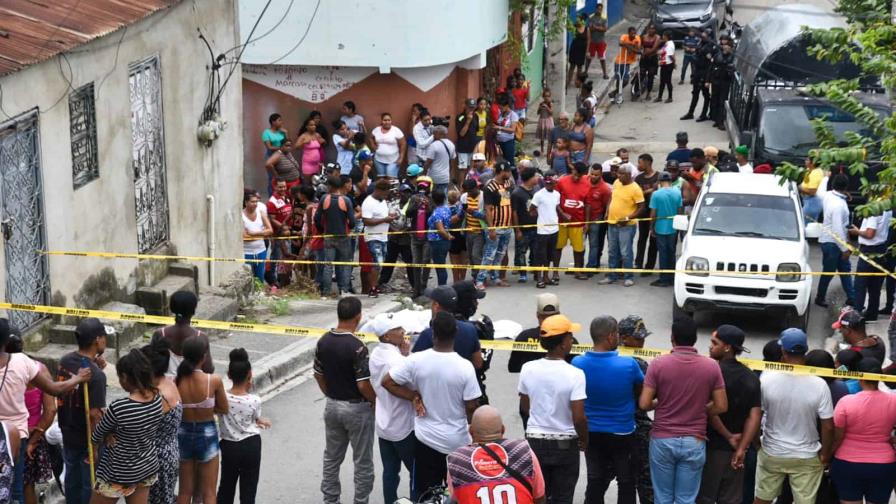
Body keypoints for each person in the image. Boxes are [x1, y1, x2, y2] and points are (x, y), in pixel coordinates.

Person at [383, 311, 482, 496]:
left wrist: (412, 396)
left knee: (426, 495)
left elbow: (387, 382)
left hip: (425, 441)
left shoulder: (416, 360)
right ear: (456, 333)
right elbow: (471, 406)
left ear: (432, 334)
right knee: (459, 494)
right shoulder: (465, 367)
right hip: (457, 442)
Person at [638, 315, 727, 504]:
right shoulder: (711, 366)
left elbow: (644, 404)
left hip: (663, 439)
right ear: (695, 339)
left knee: (662, 498)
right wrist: (699, 410)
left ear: (672, 338)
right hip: (694, 441)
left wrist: (661, 402)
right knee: (686, 499)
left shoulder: (658, 364)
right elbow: (721, 405)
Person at [754, 328, 833, 504]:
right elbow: (828, 425)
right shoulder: (820, 384)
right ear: (805, 351)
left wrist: (757, 444)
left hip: (772, 452)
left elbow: (756, 415)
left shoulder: (766, 379)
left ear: (782, 350)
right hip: (806, 455)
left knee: (762, 499)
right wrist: (825, 454)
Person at [573, 315, 644, 504]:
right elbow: (640, 391)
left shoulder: (577, 364)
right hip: (622, 432)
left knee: (595, 479)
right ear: (611, 336)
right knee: (626, 481)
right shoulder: (629, 364)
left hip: (592, 433)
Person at [518, 314, 587, 504]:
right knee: (563, 498)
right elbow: (579, 417)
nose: (572, 340)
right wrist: (584, 440)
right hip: (565, 444)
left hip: (535, 442)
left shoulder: (528, 369)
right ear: (563, 344)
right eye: (570, 336)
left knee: (538, 496)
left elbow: (525, 406)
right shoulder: (575, 374)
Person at [313, 297, 376, 504]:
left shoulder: (323, 341)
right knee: (362, 461)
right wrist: (374, 400)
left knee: (331, 458)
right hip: (357, 408)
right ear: (358, 317)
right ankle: (360, 500)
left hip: (332, 406)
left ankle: (330, 500)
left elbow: (318, 374)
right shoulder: (358, 347)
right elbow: (363, 385)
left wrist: (330, 393)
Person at [698, 325, 761, 504]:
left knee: (705, 496)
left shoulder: (711, 373)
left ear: (727, 347)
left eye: (714, 342)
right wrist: (741, 448)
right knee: (731, 499)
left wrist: (728, 436)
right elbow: (754, 416)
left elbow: (708, 409)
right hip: (737, 452)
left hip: (711, 447)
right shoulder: (751, 377)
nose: (710, 346)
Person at [90, 350, 163, 504]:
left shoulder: (120, 407)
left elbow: (96, 435)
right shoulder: (158, 399)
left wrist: (96, 448)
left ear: (124, 377)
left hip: (118, 472)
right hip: (146, 466)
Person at [447, 406, 546, 504]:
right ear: (503, 430)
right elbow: (539, 498)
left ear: (471, 432)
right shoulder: (524, 452)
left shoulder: (458, 461)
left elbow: (455, 499)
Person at [831, 357, 896, 504]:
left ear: (858, 376)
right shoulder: (894, 401)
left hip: (847, 464)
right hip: (884, 465)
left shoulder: (846, 402)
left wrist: (829, 455)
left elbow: (838, 436)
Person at [55, 318, 106, 504]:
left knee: (72, 483)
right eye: (104, 337)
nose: (105, 341)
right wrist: (94, 449)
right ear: (97, 340)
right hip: (86, 441)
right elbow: (94, 415)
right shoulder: (96, 376)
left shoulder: (65, 361)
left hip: (68, 434)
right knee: (89, 487)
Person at [368, 318, 416, 503]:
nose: (403, 330)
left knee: (389, 471)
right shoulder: (394, 360)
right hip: (403, 425)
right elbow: (411, 382)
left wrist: (403, 354)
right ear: (387, 336)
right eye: (398, 329)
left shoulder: (376, 354)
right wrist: (407, 357)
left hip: (384, 423)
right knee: (416, 472)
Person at [176, 336, 228, 504]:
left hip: (182, 433)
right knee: (209, 493)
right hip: (207, 433)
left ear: (183, 355)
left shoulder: (177, 381)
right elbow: (224, 408)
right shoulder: (213, 381)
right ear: (204, 357)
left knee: (184, 492)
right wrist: (207, 408)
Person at [217, 349, 270, 504]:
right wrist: (262, 421)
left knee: (226, 486)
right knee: (249, 489)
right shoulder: (254, 400)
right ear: (250, 376)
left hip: (229, 446)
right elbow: (255, 419)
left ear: (229, 374)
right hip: (251, 444)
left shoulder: (222, 397)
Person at [11, 334, 54, 504]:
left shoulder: (5, 371)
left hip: (8, 437)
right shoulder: (39, 369)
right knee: (26, 484)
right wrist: (33, 441)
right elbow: (50, 410)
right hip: (31, 436)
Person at [616, 316, 654, 504]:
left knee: (619, 480)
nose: (642, 341)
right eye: (637, 338)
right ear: (623, 338)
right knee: (644, 478)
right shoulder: (637, 364)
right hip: (636, 425)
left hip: (611, 426)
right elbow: (647, 399)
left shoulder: (611, 357)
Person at [139, 339, 181, 504]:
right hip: (170, 452)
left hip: (157, 459)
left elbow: (141, 427)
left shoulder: (158, 396)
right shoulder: (169, 383)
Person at [412, 286, 484, 370]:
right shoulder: (470, 329)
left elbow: (414, 367)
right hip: (463, 380)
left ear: (436, 305)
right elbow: (478, 363)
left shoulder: (428, 334)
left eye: (431, 303)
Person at [601, 165, 645, 286]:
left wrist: (628, 218)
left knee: (625, 252)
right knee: (612, 251)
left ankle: (628, 276)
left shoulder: (635, 188)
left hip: (627, 226)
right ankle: (612, 275)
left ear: (629, 175)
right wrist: (607, 211)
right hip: (612, 223)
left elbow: (641, 207)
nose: (618, 175)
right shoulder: (616, 182)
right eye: (618, 173)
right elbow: (611, 197)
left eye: (621, 174)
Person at [816, 174, 855, 307]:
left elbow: (820, 191)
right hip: (834, 243)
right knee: (829, 272)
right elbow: (837, 229)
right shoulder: (838, 205)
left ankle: (852, 298)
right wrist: (844, 248)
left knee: (844, 271)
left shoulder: (828, 196)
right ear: (846, 187)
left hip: (829, 241)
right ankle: (820, 297)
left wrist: (825, 177)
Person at [314, 176, 356, 296]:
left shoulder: (324, 199)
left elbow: (317, 218)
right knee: (344, 264)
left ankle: (326, 292)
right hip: (343, 236)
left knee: (328, 265)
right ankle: (343, 289)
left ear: (330, 186)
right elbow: (352, 221)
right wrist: (349, 227)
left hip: (328, 236)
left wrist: (322, 230)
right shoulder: (346, 200)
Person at [476, 162, 515, 290]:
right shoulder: (490, 187)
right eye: (508, 171)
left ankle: (495, 277)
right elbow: (488, 209)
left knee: (500, 254)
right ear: (502, 171)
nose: (510, 174)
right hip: (496, 227)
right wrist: (491, 228)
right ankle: (480, 280)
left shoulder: (508, 184)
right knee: (489, 254)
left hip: (507, 226)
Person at [850, 208, 893, 320]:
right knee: (875, 285)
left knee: (860, 284)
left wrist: (857, 231)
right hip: (882, 249)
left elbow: (870, 234)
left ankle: (856, 317)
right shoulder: (887, 210)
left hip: (869, 250)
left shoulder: (873, 211)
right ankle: (872, 314)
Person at [508, 294, 566, 374]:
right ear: (559, 314)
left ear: (537, 315)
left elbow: (513, 367)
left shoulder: (524, 337)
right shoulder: (567, 340)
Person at [556, 162, 592, 280]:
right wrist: (562, 213)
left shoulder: (587, 185)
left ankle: (577, 271)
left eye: (579, 175)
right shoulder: (562, 182)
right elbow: (554, 200)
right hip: (561, 222)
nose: (576, 177)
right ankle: (555, 272)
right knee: (558, 247)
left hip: (578, 222)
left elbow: (587, 205)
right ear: (572, 170)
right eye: (575, 174)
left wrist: (586, 222)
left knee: (578, 248)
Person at [361, 178, 396, 298]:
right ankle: (373, 288)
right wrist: (384, 220)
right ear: (379, 190)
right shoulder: (368, 202)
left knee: (380, 263)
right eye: (385, 193)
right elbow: (366, 221)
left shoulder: (383, 202)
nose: (386, 195)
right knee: (377, 262)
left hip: (383, 236)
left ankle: (374, 285)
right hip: (373, 237)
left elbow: (383, 216)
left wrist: (389, 217)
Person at [650, 172, 683, 287]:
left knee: (663, 254)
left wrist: (651, 227)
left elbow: (653, 213)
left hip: (660, 227)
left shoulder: (656, 194)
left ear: (659, 182)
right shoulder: (677, 192)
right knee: (672, 252)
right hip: (673, 227)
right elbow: (680, 211)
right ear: (670, 181)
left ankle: (664, 279)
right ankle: (672, 277)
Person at [530, 172, 562, 288]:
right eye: (547, 183)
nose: (549, 185)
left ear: (554, 183)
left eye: (551, 183)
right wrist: (539, 216)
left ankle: (546, 276)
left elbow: (556, 207)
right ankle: (539, 278)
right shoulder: (539, 195)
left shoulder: (557, 194)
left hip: (554, 229)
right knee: (540, 255)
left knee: (550, 255)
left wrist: (562, 215)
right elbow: (532, 208)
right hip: (542, 230)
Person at [406, 177, 434, 297]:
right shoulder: (413, 198)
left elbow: (433, 214)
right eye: (421, 187)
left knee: (426, 261)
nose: (422, 190)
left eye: (424, 187)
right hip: (415, 235)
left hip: (427, 235)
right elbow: (408, 213)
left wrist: (427, 207)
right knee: (416, 263)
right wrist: (415, 206)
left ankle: (423, 286)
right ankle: (416, 288)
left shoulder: (431, 199)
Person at [512, 169, 540, 284]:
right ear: (530, 178)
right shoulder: (517, 193)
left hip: (537, 227)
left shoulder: (537, 190)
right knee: (521, 251)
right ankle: (523, 273)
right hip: (523, 228)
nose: (537, 178)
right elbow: (514, 212)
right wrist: (517, 230)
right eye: (535, 176)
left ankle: (534, 269)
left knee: (536, 250)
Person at [634, 154, 659, 273]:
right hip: (643, 212)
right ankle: (638, 263)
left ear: (648, 162)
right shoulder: (638, 179)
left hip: (655, 212)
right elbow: (637, 195)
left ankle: (649, 266)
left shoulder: (658, 177)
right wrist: (651, 190)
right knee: (642, 239)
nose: (638, 165)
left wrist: (650, 191)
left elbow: (660, 191)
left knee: (653, 239)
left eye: (640, 163)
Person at [681, 29, 713, 121]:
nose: (703, 35)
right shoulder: (700, 43)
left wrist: (707, 79)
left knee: (705, 94)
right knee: (695, 93)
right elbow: (696, 54)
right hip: (697, 71)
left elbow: (709, 63)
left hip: (705, 72)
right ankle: (690, 113)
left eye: (706, 34)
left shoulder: (710, 46)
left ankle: (704, 114)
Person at [585, 164, 612, 273]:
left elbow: (607, 204)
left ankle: (591, 266)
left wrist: (605, 215)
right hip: (582, 218)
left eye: (596, 175)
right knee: (580, 243)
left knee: (594, 244)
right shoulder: (584, 181)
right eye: (592, 174)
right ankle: (578, 266)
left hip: (596, 219)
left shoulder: (605, 188)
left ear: (601, 174)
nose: (593, 176)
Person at [241, 191, 273, 282]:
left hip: (261, 250)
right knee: (247, 278)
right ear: (246, 202)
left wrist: (253, 234)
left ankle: (259, 294)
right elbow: (245, 237)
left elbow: (270, 230)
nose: (255, 204)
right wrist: (262, 234)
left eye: (256, 202)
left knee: (260, 277)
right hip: (246, 252)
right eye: (252, 202)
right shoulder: (241, 216)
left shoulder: (261, 213)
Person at [457, 98, 488, 187]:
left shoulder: (476, 116)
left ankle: (469, 186)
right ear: (465, 106)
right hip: (463, 148)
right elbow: (461, 134)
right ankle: (461, 187)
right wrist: (468, 121)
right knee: (462, 169)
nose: (471, 109)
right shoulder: (460, 117)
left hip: (473, 147)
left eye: (473, 107)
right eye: (470, 107)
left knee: (471, 168)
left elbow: (477, 132)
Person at [427, 190, 455, 286]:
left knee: (440, 267)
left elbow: (441, 230)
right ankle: (442, 286)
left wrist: (448, 236)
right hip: (444, 242)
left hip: (438, 242)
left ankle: (442, 288)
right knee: (441, 266)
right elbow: (448, 222)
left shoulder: (436, 213)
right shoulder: (446, 209)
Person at [709, 33, 735, 130]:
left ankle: (720, 121)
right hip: (716, 80)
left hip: (725, 81)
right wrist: (708, 80)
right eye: (724, 46)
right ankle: (716, 119)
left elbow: (733, 68)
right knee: (714, 100)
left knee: (722, 101)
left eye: (727, 46)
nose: (725, 47)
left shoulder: (732, 57)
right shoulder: (717, 55)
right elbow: (711, 67)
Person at [370, 113, 406, 178]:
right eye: (385, 120)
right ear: (381, 121)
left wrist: (401, 158)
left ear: (391, 121)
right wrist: (373, 146)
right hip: (378, 160)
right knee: (382, 180)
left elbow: (403, 143)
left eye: (389, 120)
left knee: (391, 180)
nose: (387, 122)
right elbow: (371, 138)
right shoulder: (376, 130)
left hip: (393, 160)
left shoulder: (396, 130)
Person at [422, 125, 456, 195]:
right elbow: (452, 162)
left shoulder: (434, 145)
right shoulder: (451, 144)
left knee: (433, 199)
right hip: (445, 177)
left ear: (441, 134)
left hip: (434, 178)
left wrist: (423, 174)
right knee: (443, 199)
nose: (433, 136)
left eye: (434, 134)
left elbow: (428, 162)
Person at [611, 27, 641, 97]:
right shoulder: (624, 36)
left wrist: (631, 47)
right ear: (628, 33)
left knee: (626, 80)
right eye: (632, 33)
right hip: (619, 61)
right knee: (619, 78)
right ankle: (617, 93)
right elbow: (620, 43)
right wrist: (629, 47)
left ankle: (615, 92)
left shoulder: (637, 39)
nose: (634, 35)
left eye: (635, 33)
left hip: (628, 62)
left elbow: (638, 51)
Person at [295, 117, 326, 186]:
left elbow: (324, 142)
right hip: (307, 164)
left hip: (317, 164)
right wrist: (304, 143)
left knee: (316, 183)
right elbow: (296, 146)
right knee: (307, 184)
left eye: (314, 125)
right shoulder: (304, 136)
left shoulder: (317, 135)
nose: (313, 126)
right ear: (307, 127)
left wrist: (323, 141)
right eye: (311, 125)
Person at [494, 98, 519, 172]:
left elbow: (512, 130)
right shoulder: (500, 114)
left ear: (507, 106)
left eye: (501, 107)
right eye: (499, 107)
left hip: (508, 142)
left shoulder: (513, 115)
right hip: (499, 142)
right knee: (501, 163)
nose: (500, 109)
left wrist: (499, 128)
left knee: (510, 163)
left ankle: (514, 179)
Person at [586, 3, 609, 78]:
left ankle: (605, 74)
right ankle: (585, 71)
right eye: (598, 9)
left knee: (602, 58)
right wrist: (599, 27)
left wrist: (595, 27)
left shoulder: (604, 18)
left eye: (600, 9)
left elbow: (605, 29)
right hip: (592, 41)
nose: (599, 10)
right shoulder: (591, 17)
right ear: (596, 9)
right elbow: (590, 28)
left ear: (602, 10)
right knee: (589, 58)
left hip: (601, 41)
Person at [799, 156, 825, 223]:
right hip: (808, 201)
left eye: (807, 160)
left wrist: (799, 188)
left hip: (812, 203)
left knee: (805, 224)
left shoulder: (815, 173)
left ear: (812, 163)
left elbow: (812, 192)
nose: (805, 161)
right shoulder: (810, 170)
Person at [639, 24, 661, 101]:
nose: (651, 30)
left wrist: (644, 53)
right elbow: (641, 46)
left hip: (652, 58)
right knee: (641, 74)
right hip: (644, 59)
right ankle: (637, 90)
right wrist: (641, 52)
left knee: (651, 76)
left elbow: (654, 49)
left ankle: (648, 92)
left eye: (653, 29)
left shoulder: (657, 37)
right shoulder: (644, 36)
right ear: (648, 29)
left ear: (655, 30)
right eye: (650, 29)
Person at [655, 30, 676, 103]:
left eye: (663, 35)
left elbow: (671, 56)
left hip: (668, 65)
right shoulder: (667, 43)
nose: (662, 37)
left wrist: (674, 64)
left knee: (668, 81)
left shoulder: (669, 45)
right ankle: (660, 97)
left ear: (666, 36)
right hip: (664, 65)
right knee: (662, 82)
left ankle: (670, 97)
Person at [568, 16, 588, 87]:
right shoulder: (575, 27)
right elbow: (568, 27)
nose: (580, 21)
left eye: (581, 20)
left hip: (582, 50)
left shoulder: (586, 29)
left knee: (579, 67)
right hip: (574, 49)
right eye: (579, 20)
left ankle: (578, 82)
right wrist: (574, 24)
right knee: (572, 66)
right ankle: (568, 81)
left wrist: (587, 51)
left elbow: (588, 40)